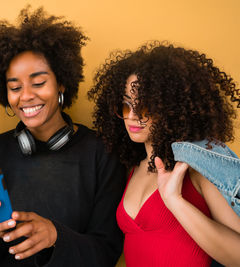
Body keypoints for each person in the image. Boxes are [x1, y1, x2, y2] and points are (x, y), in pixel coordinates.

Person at [0, 7, 126, 267]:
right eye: (15, 87)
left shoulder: (101, 152)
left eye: (38, 83)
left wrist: (56, 236)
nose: (25, 96)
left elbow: (107, 252)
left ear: (61, 84)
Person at [88, 41, 240, 266]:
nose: (132, 116)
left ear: (172, 108)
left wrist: (174, 200)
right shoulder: (129, 167)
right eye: (126, 106)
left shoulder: (195, 166)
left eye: (145, 107)